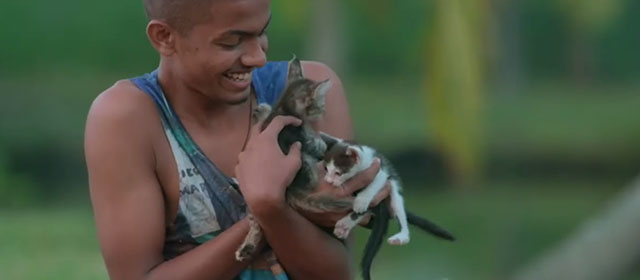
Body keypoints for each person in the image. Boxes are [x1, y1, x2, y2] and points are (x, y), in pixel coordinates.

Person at [85, 0, 389, 279]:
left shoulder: (306, 94)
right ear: (164, 37)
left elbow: (335, 274)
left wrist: (274, 210)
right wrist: (271, 209)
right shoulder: (129, 118)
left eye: (263, 32)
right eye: (231, 41)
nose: (258, 57)